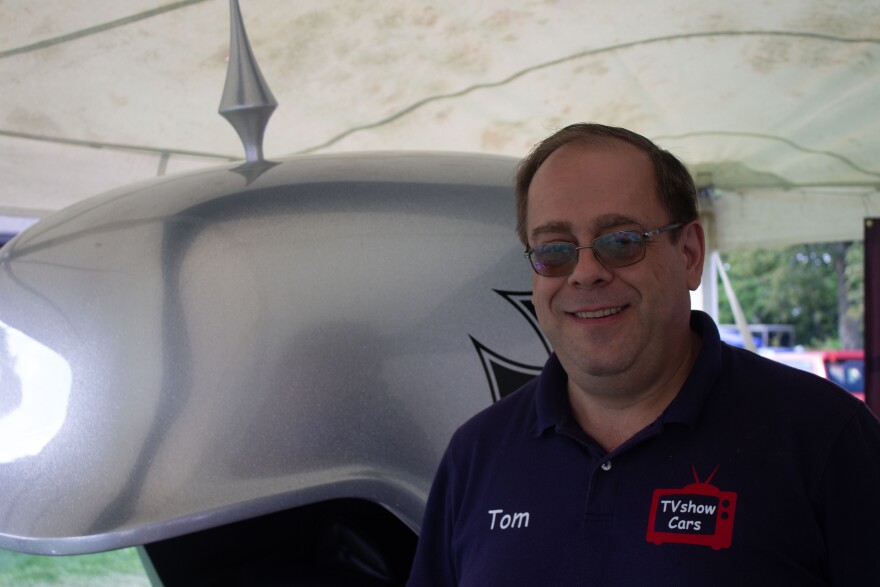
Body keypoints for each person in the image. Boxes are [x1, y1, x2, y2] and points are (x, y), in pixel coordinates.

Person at [407, 123, 880, 586]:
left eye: (622, 241)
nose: (585, 272)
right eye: (554, 250)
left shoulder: (825, 438)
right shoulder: (475, 455)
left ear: (690, 254)